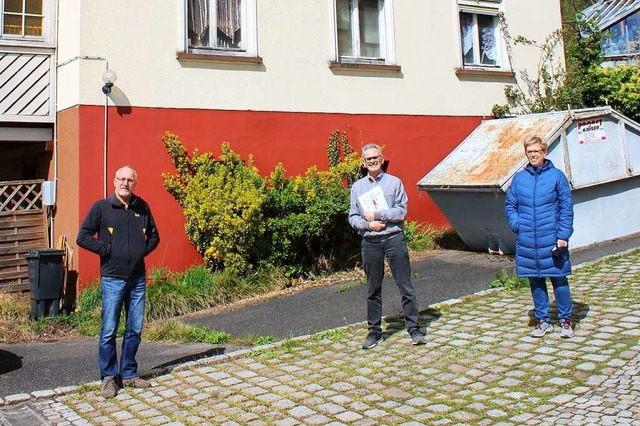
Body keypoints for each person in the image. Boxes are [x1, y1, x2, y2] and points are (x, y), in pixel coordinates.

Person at [77, 165, 160, 398]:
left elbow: (154, 235)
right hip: (113, 279)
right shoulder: (102, 208)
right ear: (114, 182)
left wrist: (142, 250)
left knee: (134, 329)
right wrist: (107, 249)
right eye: (121, 179)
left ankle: (130, 374)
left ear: (135, 183)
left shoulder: (142, 207)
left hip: (137, 280)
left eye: (130, 180)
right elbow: (82, 237)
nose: (125, 183)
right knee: (109, 331)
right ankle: (109, 378)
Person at [348, 143, 425, 349]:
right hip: (370, 241)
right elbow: (353, 216)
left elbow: (401, 211)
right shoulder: (357, 188)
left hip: (393, 239)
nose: (372, 161)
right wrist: (367, 224)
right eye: (368, 159)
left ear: (382, 159)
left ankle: (414, 328)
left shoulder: (394, 183)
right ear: (364, 163)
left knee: (405, 284)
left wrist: (379, 215)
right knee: (373, 289)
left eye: (375, 158)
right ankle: (374, 332)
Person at [505, 136, 574, 338]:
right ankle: (543, 320)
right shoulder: (519, 179)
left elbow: (566, 208)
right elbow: (510, 205)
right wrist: (516, 224)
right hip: (527, 240)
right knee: (535, 280)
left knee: (559, 280)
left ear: (544, 152)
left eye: (536, 151)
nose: (533, 155)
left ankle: (566, 321)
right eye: (529, 152)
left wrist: (563, 235)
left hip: (551, 239)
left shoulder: (556, 177)